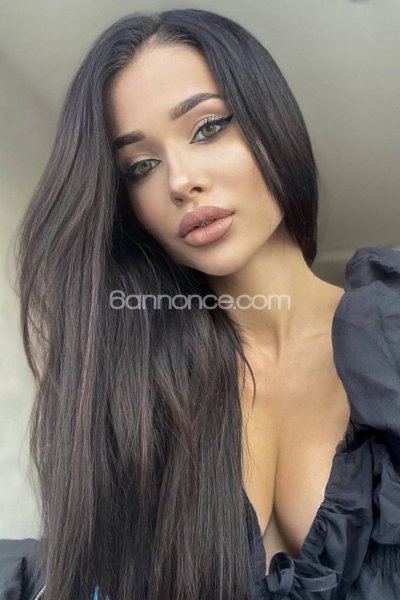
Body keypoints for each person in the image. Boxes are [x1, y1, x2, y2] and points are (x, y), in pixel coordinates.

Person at [1, 7, 399, 600]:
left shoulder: (390, 327)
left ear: (271, 121)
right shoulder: (136, 395)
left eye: (208, 127)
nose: (179, 180)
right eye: (141, 166)